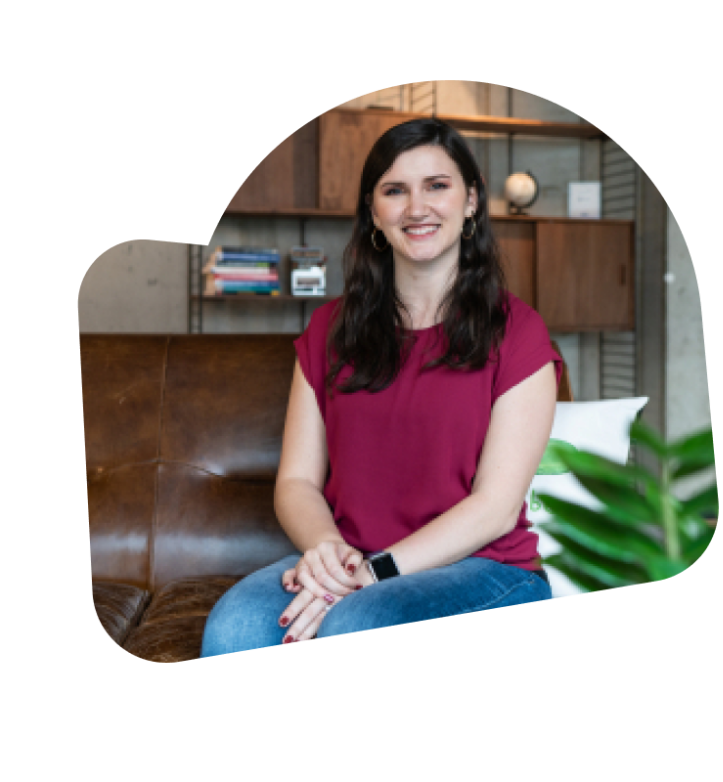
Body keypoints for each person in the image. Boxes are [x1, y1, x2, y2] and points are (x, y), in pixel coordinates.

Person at [198, 117, 563, 656]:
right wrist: (328, 555)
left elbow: (495, 508)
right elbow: (297, 481)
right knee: (235, 630)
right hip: (350, 558)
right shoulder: (329, 329)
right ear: (374, 211)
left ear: (471, 202)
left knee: (360, 623)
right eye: (395, 190)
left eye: (437, 186)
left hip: (483, 568)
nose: (417, 208)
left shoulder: (518, 330)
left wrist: (373, 574)